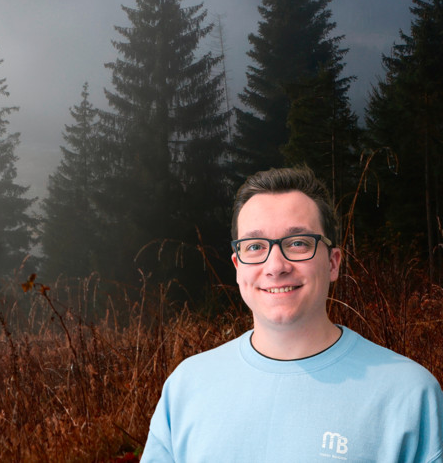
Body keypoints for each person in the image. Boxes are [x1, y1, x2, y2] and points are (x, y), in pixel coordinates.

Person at [142, 166, 443, 462]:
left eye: (298, 243)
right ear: (238, 267)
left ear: (333, 263)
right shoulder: (186, 387)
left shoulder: (410, 395)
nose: (276, 266)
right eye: (255, 246)